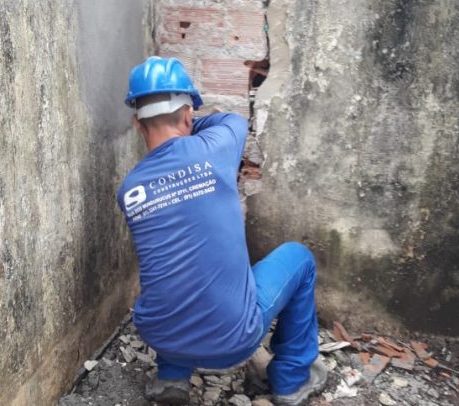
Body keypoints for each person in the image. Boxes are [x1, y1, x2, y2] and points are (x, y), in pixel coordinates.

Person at [116, 56, 326, 406]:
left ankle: (171, 378)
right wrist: (188, 123)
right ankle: (291, 380)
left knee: (174, 261)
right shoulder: (217, 146)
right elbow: (232, 120)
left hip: (160, 336)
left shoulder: (129, 189)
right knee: (300, 258)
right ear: (188, 115)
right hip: (233, 342)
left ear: (137, 124)